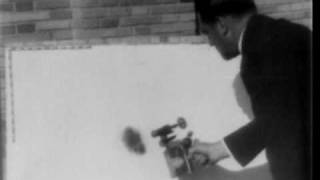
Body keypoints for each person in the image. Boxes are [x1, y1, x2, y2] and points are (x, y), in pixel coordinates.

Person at [188, 0, 312, 180]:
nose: (210, 43)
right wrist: (218, 149)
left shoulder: (256, 56)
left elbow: (281, 128)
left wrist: (217, 149)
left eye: (207, 32)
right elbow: (283, 116)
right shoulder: (294, 33)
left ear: (222, 25)